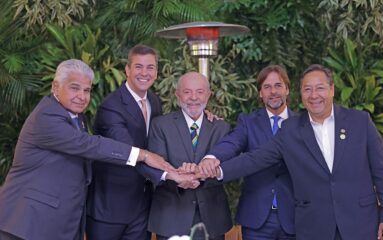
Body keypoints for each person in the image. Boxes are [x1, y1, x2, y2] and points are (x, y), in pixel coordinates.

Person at [200, 64, 383, 240]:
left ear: (332, 90)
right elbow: (255, 159)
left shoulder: (359, 121)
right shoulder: (291, 129)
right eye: (307, 90)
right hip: (315, 227)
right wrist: (215, 171)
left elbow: (382, 173)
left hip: (360, 224)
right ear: (300, 94)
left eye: (320, 88)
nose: (314, 95)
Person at [0, 59, 171, 240]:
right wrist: (142, 155)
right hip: (29, 223)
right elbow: (89, 145)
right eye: (74, 88)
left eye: (87, 90)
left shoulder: (76, 116)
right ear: (55, 87)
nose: (82, 96)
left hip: (60, 222)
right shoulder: (47, 116)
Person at [86, 45, 195, 240]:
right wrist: (170, 175)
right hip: (110, 207)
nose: (144, 73)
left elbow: (162, 136)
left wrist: (200, 117)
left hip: (142, 206)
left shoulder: (153, 100)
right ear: (127, 70)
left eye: (150, 67)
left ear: (156, 72)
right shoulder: (111, 107)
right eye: (138, 67)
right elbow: (131, 153)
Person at [205, 65, 296, 240]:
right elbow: (232, 142)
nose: (273, 92)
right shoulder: (247, 122)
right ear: (260, 93)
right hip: (256, 220)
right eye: (267, 87)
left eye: (278, 85)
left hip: (293, 218)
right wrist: (212, 158)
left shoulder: (302, 124)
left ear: (287, 89)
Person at [147, 72, 232, 240]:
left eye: (200, 92)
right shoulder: (160, 125)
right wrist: (180, 176)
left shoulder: (221, 127)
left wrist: (200, 173)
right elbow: (156, 165)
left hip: (212, 217)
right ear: (177, 95)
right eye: (187, 92)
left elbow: (227, 169)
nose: (194, 97)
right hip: (171, 217)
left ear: (208, 95)